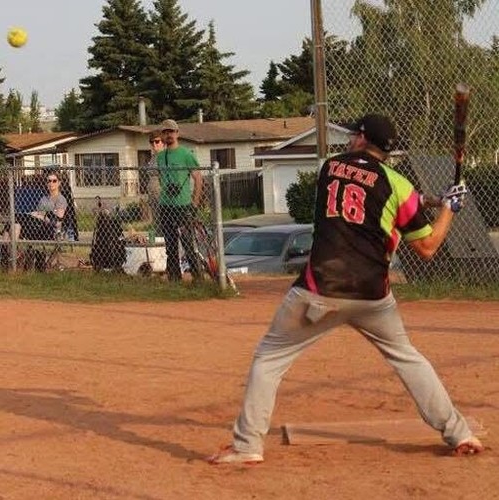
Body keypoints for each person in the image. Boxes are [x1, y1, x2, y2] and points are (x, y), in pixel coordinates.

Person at [208, 113, 484, 465]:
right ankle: (459, 433)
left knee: (269, 360)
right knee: (407, 358)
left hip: (318, 292)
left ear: (362, 139)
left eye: (355, 134)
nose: (351, 138)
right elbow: (427, 246)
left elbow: (366, 192)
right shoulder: (398, 185)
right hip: (372, 296)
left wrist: (435, 201)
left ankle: (248, 446)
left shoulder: (330, 167)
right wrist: (449, 209)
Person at [157, 119, 203, 282]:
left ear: (177, 133)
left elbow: (198, 179)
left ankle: (198, 278)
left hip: (183, 206)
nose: (168, 135)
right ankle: (174, 278)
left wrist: (194, 204)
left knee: (188, 244)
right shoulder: (160, 157)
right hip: (165, 206)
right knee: (170, 246)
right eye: (165, 132)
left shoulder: (186, 154)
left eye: (171, 131)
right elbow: (161, 178)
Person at [2, 170, 68, 243]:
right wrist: (35, 214)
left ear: (59, 183)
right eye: (49, 181)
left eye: (54, 181)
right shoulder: (44, 198)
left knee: (17, 218)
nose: (51, 183)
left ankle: (8, 247)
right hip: (36, 226)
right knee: (15, 223)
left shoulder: (61, 199)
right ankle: (8, 248)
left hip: (48, 230)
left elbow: (58, 219)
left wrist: (44, 215)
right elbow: (39, 212)